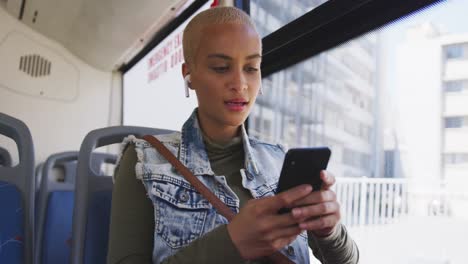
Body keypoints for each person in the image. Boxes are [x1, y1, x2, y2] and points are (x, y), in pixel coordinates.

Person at [107, 6, 359, 264]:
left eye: (251, 68)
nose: (240, 84)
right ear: (189, 75)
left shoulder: (279, 160)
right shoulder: (143, 161)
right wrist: (232, 244)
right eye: (220, 67)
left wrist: (329, 230)